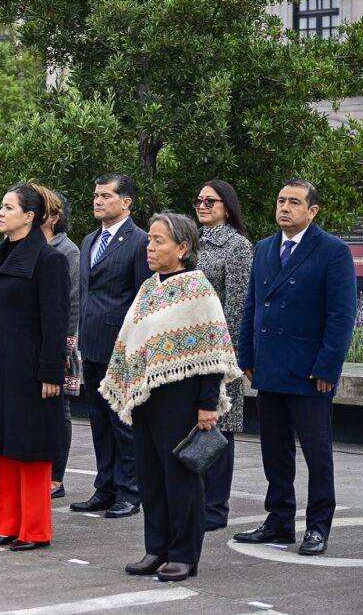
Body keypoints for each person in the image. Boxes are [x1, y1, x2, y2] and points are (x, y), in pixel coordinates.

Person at [102, 212, 241, 582]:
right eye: (149, 239)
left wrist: (208, 405)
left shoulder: (198, 288)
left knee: (181, 479)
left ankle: (184, 555)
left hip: (183, 398)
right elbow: (133, 341)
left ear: (183, 248)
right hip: (148, 398)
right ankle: (156, 548)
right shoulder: (150, 288)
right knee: (150, 476)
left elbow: (213, 353)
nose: (150, 247)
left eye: (159, 241)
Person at [234, 180, 357, 556]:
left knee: (317, 455)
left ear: (312, 211)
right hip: (269, 367)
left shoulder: (332, 251)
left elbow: (341, 315)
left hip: (310, 373)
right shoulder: (265, 247)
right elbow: (252, 305)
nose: (284, 207)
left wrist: (327, 367)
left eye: (294, 202)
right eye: (281, 201)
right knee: (275, 450)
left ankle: (318, 527)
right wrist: (247, 356)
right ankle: (279, 520)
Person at [0, 185, 70, 551]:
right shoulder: (0, 256)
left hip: (30, 369)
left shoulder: (49, 260)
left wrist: (50, 371)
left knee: (31, 448)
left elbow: (56, 321)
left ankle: (34, 529)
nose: (0, 212)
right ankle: (9, 524)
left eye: (8, 207)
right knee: (4, 444)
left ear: (29, 216)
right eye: (0, 206)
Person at [71, 173, 152, 519]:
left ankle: (130, 491)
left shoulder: (138, 241)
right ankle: (104, 487)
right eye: (96, 195)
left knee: (123, 423)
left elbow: (142, 297)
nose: (98, 200)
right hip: (90, 343)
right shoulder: (90, 239)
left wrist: (134, 346)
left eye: (106, 195)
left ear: (126, 202)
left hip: (121, 347)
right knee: (99, 421)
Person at [193, 179, 253, 531]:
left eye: (210, 201)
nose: (202, 206)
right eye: (199, 200)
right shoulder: (191, 240)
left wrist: (222, 355)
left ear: (226, 206)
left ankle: (215, 508)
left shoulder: (237, 246)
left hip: (219, 354)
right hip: (186, 352)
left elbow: (238, 304)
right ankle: (195, 502)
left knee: (219, 428)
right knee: (191, 428)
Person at [32, 185, 80, 499]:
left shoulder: (67, 250)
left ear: (53, 215)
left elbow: (72, 302)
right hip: (30, 342)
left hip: (59, 344)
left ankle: (56, 477)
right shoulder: (25, 246)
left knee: (59, 409)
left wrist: (64, 346)